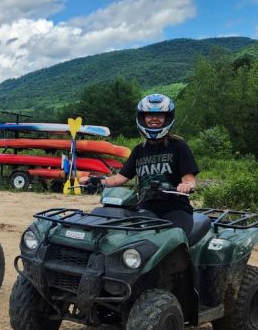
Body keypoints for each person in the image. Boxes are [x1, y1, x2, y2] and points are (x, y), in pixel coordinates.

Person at [81, 93, 198, 236]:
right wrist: (96, 181)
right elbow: (119, 178)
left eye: (159, 115)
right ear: (142, 118)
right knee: (130, 236)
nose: (154, 118)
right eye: (149, 115)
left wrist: (187, 186)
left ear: (167, 118)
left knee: (176, 238)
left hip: (176, 209)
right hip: (146, 207)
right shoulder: (139, 150)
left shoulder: (179, 146)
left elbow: (189, 179)